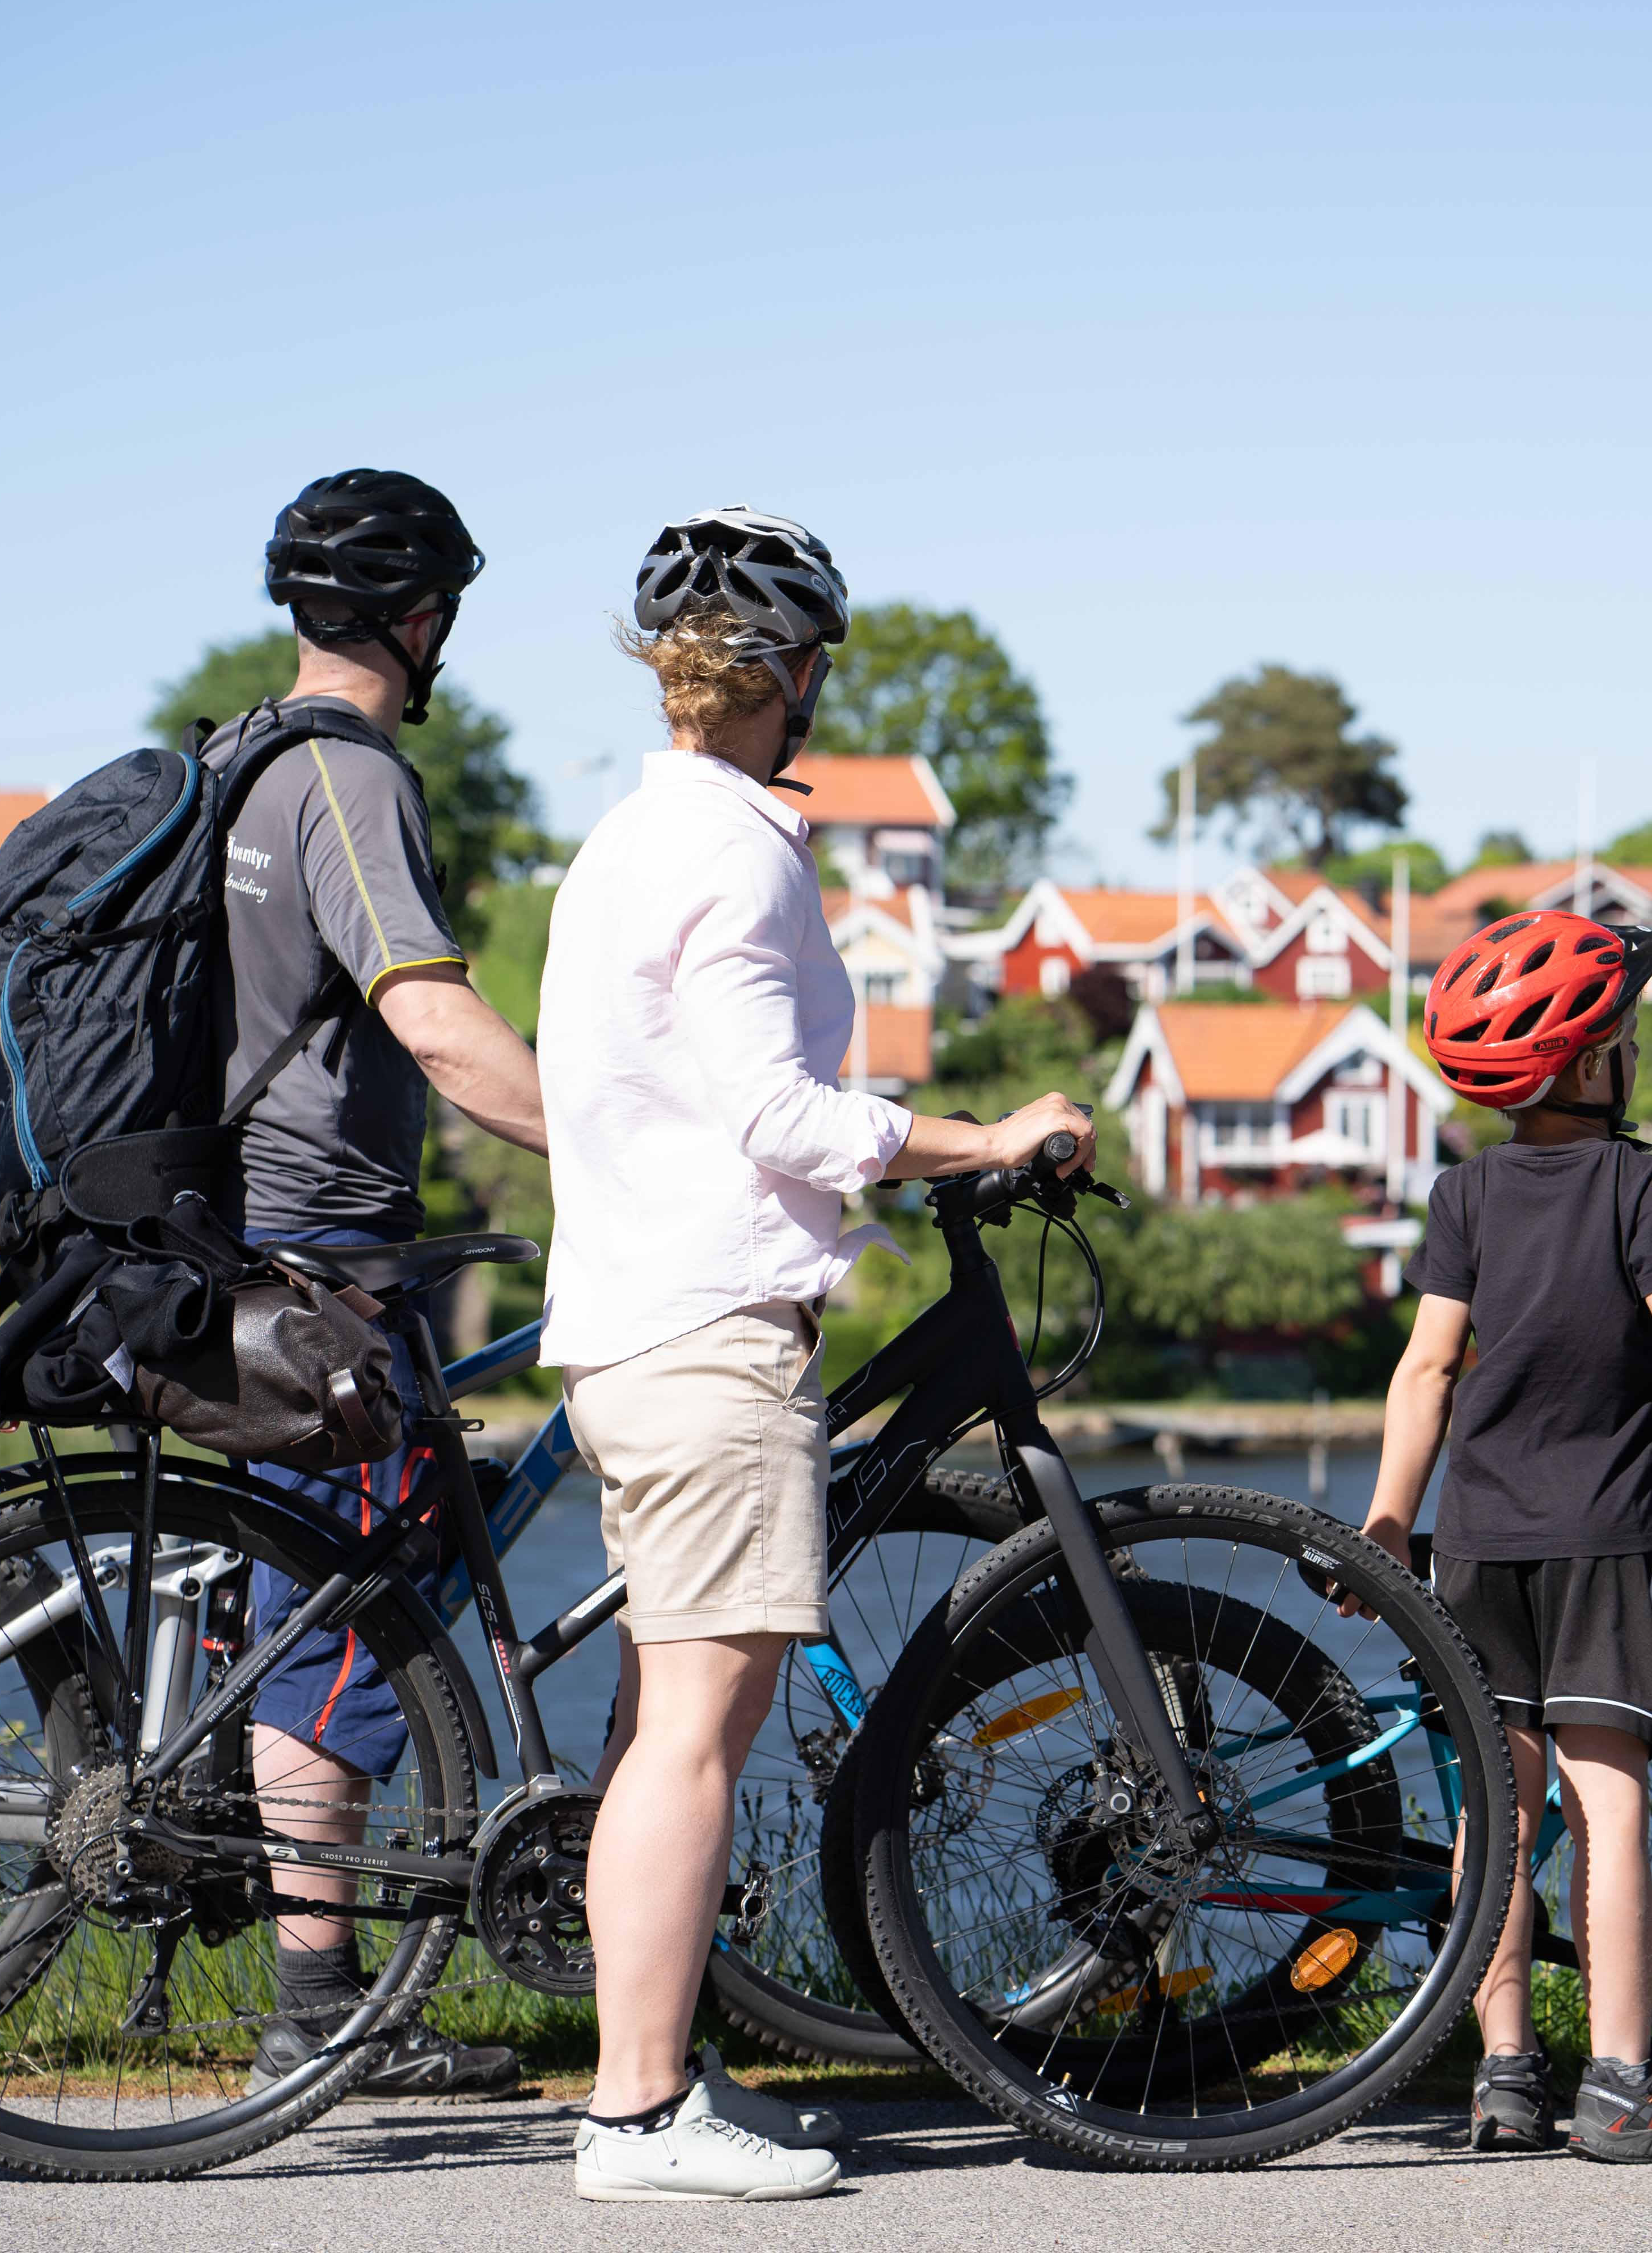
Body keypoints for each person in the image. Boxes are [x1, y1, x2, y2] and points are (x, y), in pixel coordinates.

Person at [539, 507, 1098, 2203]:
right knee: (699, 1733)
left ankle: (658, 2071)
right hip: (709, 1332)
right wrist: (981, 1132)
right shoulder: (737, 854)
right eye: (816, 668)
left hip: (641, 1316)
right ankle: (635, 2120)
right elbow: (773, 1110)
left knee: (661, 1723)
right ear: (787, 674)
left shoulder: (629, 842)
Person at [1354, 910, 1652, 2162]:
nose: (1637, 1048)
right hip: (1607, 1537)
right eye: (1625, 1032)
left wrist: (1390, 1516)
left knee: (1496, 1817)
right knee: (1606, 1806)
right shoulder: (1641, 1183)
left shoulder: (1463, 1193)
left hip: (1476, 1540)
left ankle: (1502, 2074)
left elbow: (1426, 1368)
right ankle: (1624, 2081)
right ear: (1588, 1059)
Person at [212, 469, 555, 2096]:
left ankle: (317, 1975)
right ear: (422, 620)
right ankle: (323, 2004)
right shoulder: (347, 779)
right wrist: (617, 1149)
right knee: (339, 1622)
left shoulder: (233, 758)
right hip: (324, 1258)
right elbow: (430, 1018)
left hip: (244, 1235)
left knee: (317, 1599)